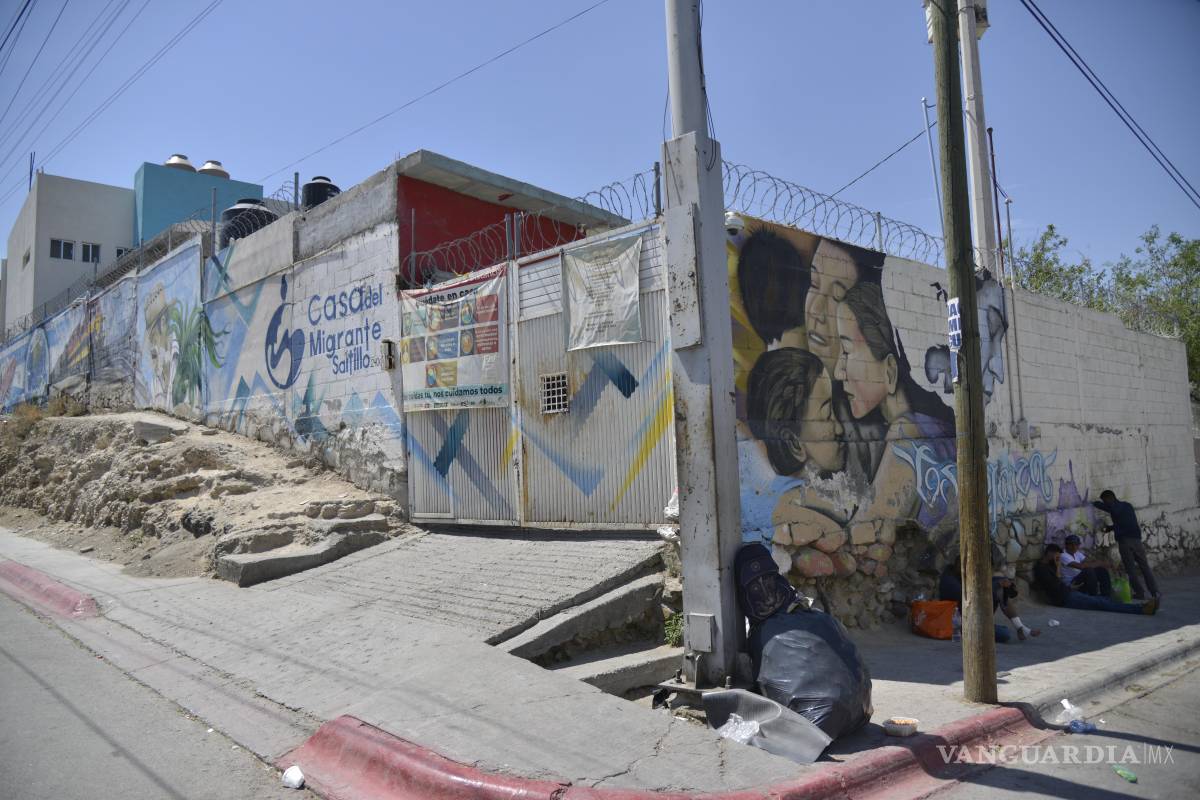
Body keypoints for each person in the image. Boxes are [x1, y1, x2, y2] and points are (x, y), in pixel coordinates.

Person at [834, 282, 957, 528]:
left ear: (890, 370)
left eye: (846, 351)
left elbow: (867, 533)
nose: (839, 372)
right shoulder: (935, 428)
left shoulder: (906, 435)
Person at [1034, 544, 1158, 615]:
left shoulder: (1051, 565)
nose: (1058, 558)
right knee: (1101, 604)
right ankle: (1141, 610)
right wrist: (1058, 567)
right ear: (1049, 553)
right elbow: (1054, 584)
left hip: (1070, 593)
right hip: (1064, 599)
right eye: (1056, 555)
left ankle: (1141, 607)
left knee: (1104, 600)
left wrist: (1069, 586)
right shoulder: (1041, 568)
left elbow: (1059, 582)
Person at [938, 558, 1041, 642]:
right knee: (1004, 634)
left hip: (974, 616)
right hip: (963, 624)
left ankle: (1020, 627)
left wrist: (1003, 583)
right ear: (959, 566)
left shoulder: (961, 575)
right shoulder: (949, 581)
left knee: (1000, 589)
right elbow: (970, 598)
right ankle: (1015, 628)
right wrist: (995, 585)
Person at [1092, 490, 1160, 601]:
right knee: (1145, 567)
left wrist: (1094, 504)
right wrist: (1111, 528)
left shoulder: (1113, 507)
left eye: (1105, 500)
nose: (1105, 503)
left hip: (1125, 541)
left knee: (1130, 570)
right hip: (1137, 540)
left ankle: (1139, 593)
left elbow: (1111, 509)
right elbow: (1124, 521)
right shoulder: (1127, 506)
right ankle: (1155, 592)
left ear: (1110, 498)